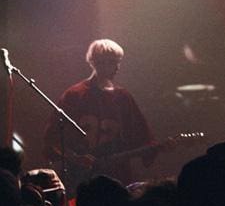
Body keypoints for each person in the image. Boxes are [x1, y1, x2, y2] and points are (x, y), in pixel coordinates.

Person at [43, 39, 155, 192]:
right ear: (97, 63)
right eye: (113, 62)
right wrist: (75, 158)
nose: (117, 67)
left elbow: (140, 134)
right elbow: (53, 138)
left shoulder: (123, 97)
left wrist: (154, 147)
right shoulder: (75, 95)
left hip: (116, 177)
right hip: (80, 179)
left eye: (118, 62)